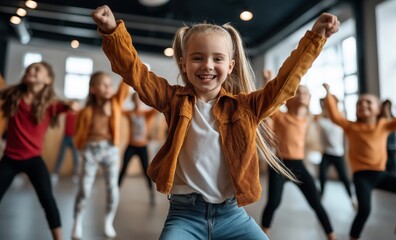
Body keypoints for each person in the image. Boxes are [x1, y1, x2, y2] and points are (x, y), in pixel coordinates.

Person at [92, 5, 339, 239]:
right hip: (184, 215)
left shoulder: (247, 107)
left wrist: (315, 38)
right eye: (197, 58)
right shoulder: (173, 100)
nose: (207, 65)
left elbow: (286, 82)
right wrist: (112, 32)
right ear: (184, 64)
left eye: (217, 59)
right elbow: (136, 73)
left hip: (232, 215)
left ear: (230, 66)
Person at [323, 83, 396, 240]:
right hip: (362, 176)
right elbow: (335, 116)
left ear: (378, 109)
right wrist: (329, 94)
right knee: (364, 210)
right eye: (359, 103)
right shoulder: (351, 127)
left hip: (380, 174)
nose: (363, 105)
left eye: (368, 102)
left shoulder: (385, 125)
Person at [0, 62, 78, 240]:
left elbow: (71, 107)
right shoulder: (13, 96)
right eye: (29, 68)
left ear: (48, 80)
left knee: (48, 201)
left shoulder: (50, 105)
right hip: (10, 159)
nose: (31, 70)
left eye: (37, 69)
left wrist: (73, 105)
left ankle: (59, 237)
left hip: (34, 160)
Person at [260, 83, 336, 240]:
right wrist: (267, 81)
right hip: (279, 165)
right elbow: (267, 102)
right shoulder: (280, 115)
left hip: (299, 165)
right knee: (273, 203)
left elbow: (331, 114)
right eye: (298, 92)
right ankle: (263, 234)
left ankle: (332, 236)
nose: (302, 94)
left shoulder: (309, 119)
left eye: (305, 93)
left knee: (316, 203)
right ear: (288, 99)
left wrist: (328, 94)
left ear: (309, 100)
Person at [71, 72, 129, 239]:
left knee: (112, 187)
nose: (108, 88)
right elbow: (78, 132)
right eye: (103, 85)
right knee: (84, 189)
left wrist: (124, 68)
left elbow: (124, 87)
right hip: (90, 149)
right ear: (93, 89)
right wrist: (81, 147)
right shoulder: (87, 110)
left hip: (110, 149)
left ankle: (108, 220)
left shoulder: (115, 104)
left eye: (109, 85)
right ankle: (77, 221)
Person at [118, 92, 158, 204]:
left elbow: (156, 108)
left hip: (142, 147)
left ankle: (151, 193)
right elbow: (119, 108)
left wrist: (148, 97)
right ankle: (115, 192)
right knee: (123, 169)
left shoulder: (146, 114)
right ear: (132, 100)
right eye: (135, 99)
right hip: (131, 146)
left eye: (139, 99)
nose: (137, 101)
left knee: (146, 171)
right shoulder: (130, 113)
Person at [317, 96, 355, 208]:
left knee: (344, 178)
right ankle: (321, 197)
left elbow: (337, 110)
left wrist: (331, 96)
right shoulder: (322, 121)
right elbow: (323, 106)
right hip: (327, 153)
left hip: (338, 154)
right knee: (322, 176)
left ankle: (352, 199)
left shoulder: (340, 120)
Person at [51, 100, 81, 183]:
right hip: (66, 137)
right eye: (73, 105)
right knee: (61, 156)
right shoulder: (67, 113)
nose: (74, 107)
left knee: (76, 158)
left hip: (75, 138)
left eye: (76, 105)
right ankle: (55, 174)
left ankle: (76, 175)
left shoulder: (80, 114)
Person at [379, 99, 396, 176]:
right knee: (385, 170)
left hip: (394, 147)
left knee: (395, 170)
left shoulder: (393, 119)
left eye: (387, 107)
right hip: (383, 148)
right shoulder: (380, 120)